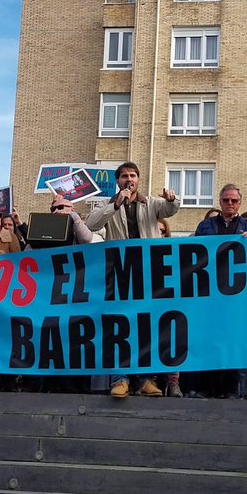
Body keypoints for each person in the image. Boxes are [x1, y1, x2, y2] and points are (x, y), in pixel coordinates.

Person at [85, 162, 180, 398]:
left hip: (148, 273)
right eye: (125, 176)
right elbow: (91, 224)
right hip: (120, 273)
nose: (129, 180)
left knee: (147, 325)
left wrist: (172, 199)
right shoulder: (108, 204)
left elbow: (170, 210)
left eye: (133, 176)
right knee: (121, 325)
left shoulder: (151, 203)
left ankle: (146, 379)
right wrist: (115, 205)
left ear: (138, 179)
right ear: (118, 181)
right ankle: (120, 378)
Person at [187, 184, 247, 400]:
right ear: (219, 202)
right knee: (209, 339)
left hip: (236, 296)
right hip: (210, 294)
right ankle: (207, 388)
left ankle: (232, 389)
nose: (230, 204)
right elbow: (194, 254)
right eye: (226, 200)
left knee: (233, 340)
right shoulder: (205, 226)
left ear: (240, 203)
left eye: (234, 201)